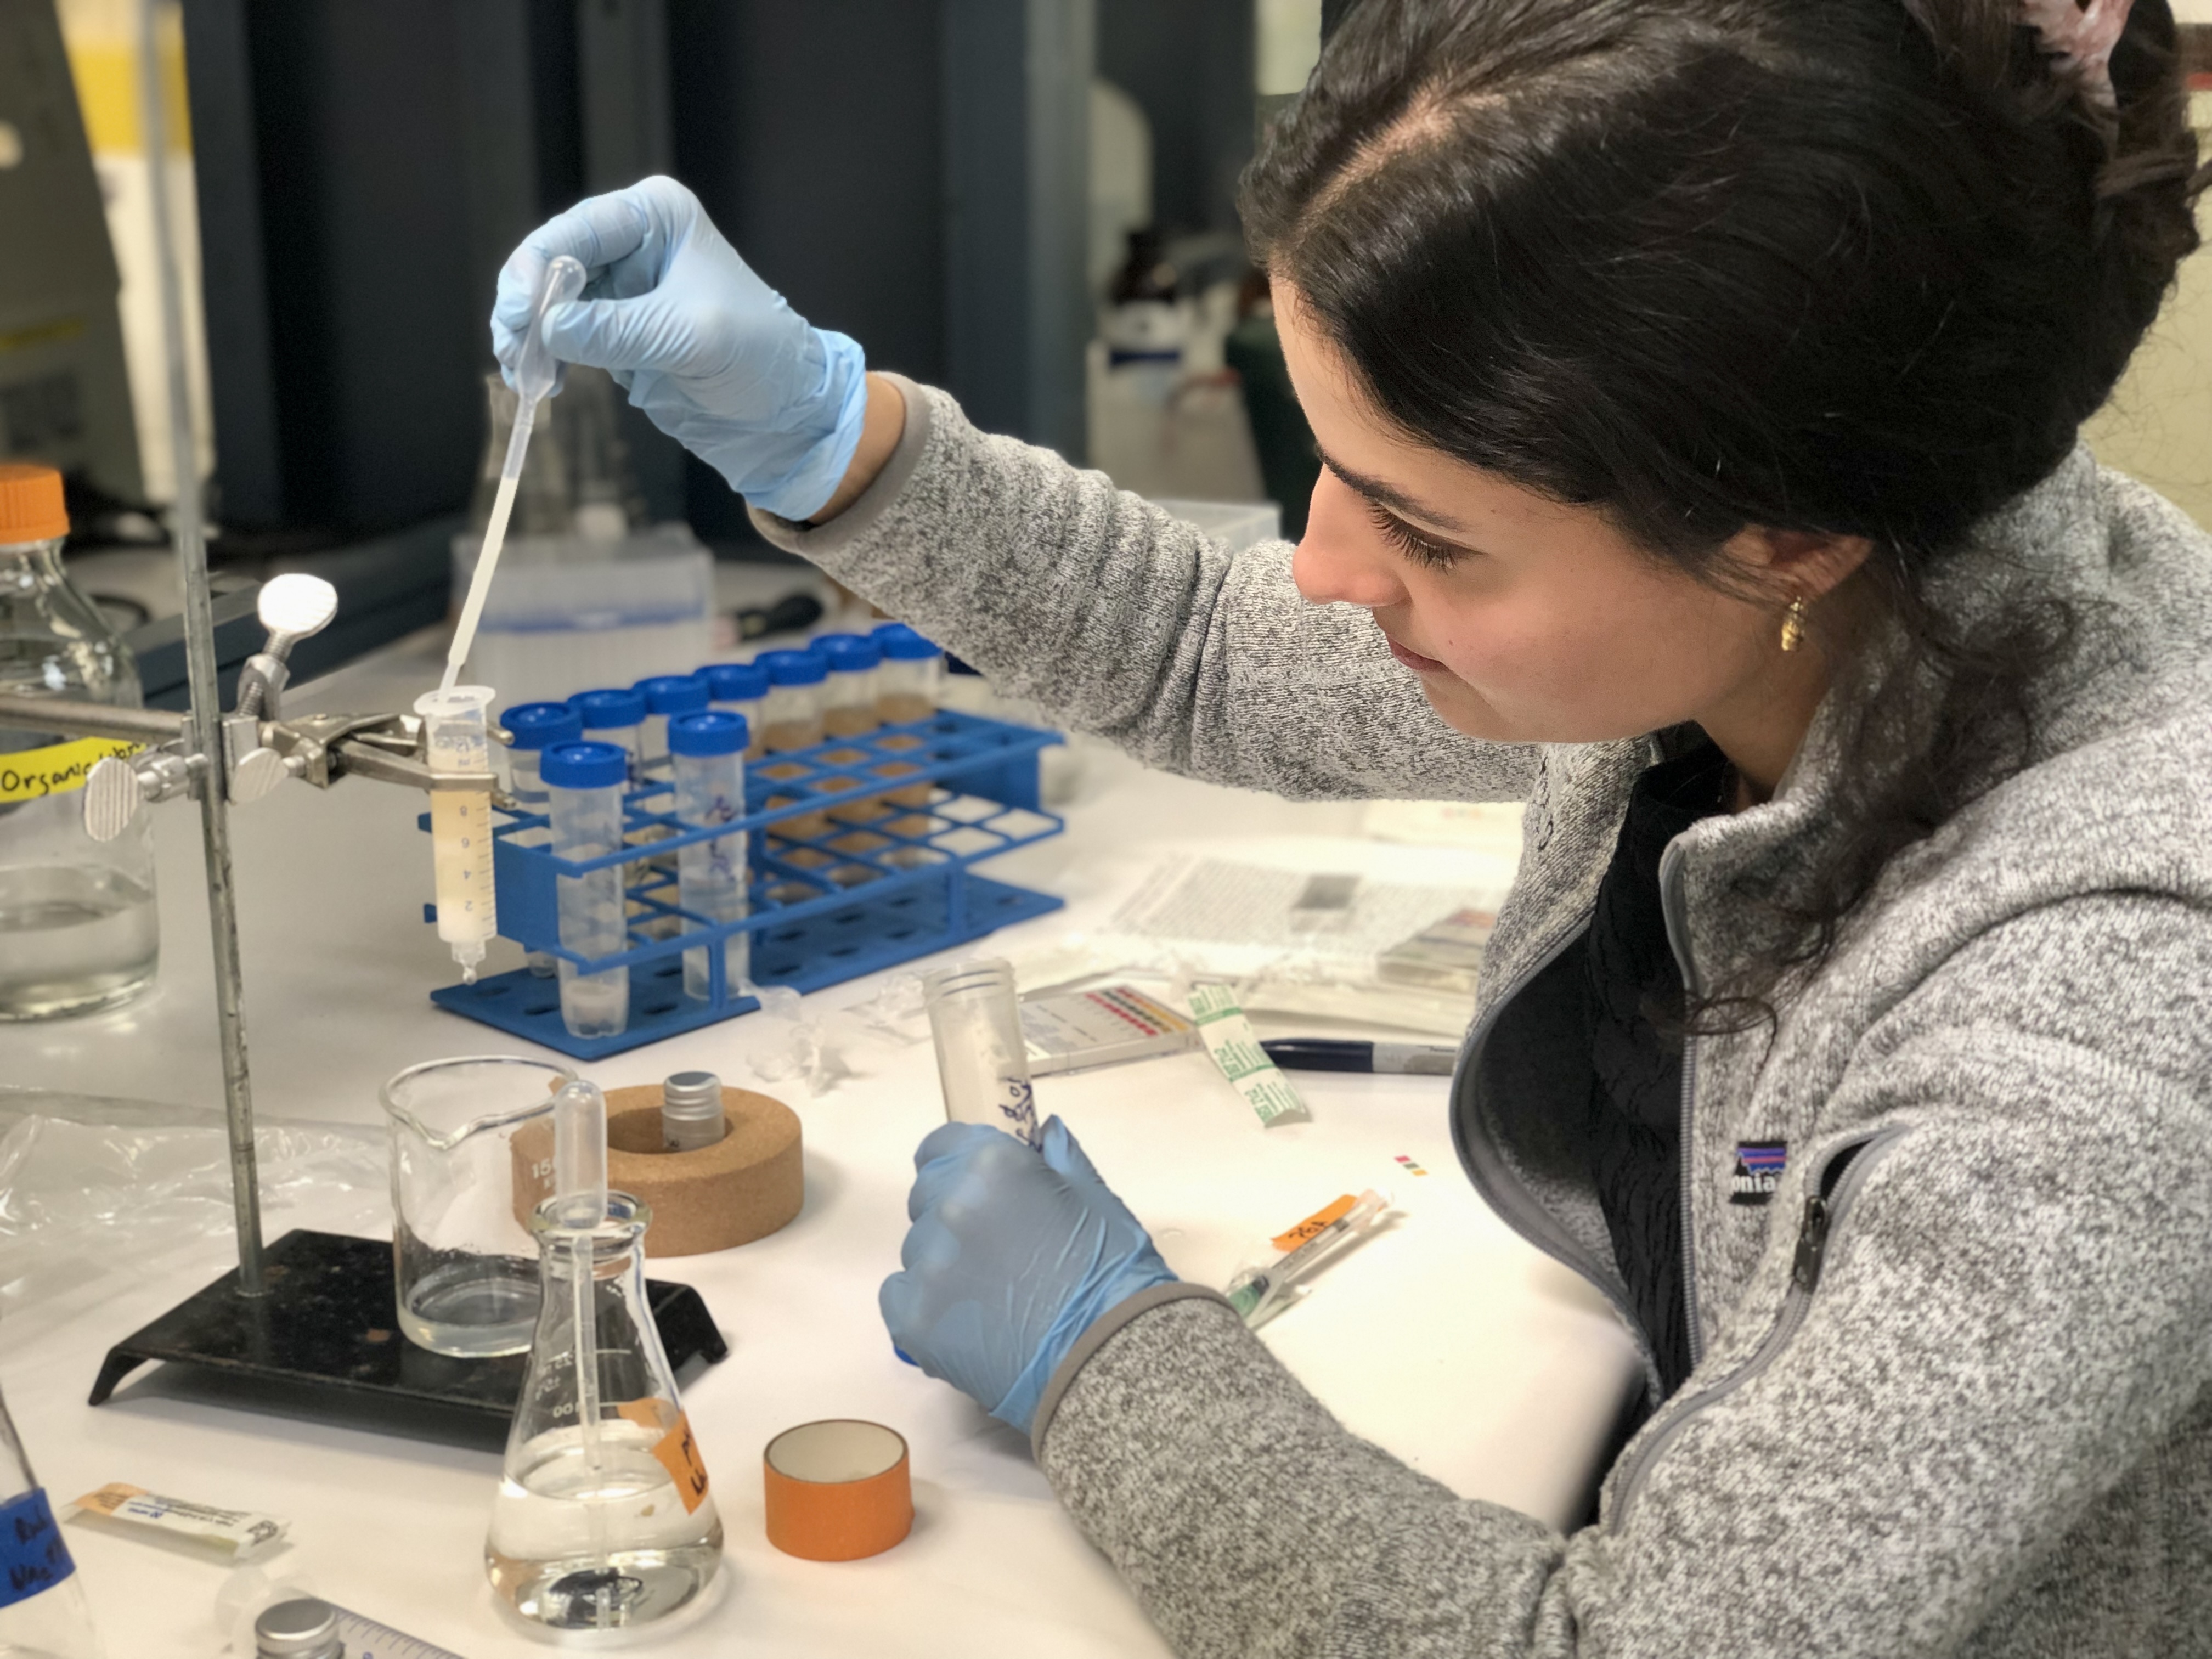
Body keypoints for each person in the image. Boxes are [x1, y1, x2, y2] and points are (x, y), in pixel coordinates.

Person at [492, 0, 2212, 1650]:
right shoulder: (1811, 597)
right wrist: (832, 439)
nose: (1319, 571)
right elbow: (1202, 646)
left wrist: (1106, 1360)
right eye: (1333, 467)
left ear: (1788, 540)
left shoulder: (2102, 1006)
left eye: (1428, 534)